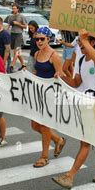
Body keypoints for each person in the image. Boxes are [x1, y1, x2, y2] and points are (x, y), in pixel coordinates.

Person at [52, 29, 95, 189]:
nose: (78, 44)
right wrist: (61, 77)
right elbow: (76, 83)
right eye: (79, 41)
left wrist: (85, 39)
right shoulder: (81, 61)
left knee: (85, 141)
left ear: (92, 42)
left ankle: (70, 176)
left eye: (81, 41)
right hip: (86, 103)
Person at [30, 27, 66, 167]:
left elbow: (61, 74)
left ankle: (44, 156)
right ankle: (58, 140)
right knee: (34, 125)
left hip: (50, 95)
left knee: (44, 126)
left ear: (48, 39)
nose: (39, 41)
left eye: (42, 39)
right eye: (37, 39)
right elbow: (36, 71)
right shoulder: (37, 54)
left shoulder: (54, 55)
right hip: (38, 93)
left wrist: (58, 76)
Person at [6, 3, 27, 70]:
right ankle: (23, 64)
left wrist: (18, 23)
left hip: (19, 34)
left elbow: (25, 26)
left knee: (16, 51)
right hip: (12, 34)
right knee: (17, 53)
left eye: (15, 8)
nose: (13, 10)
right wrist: (6, 32)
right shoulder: (10, 17)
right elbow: (8, 25)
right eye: (13, 8)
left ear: (18, 9)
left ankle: (12, 65)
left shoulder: (21, 16)